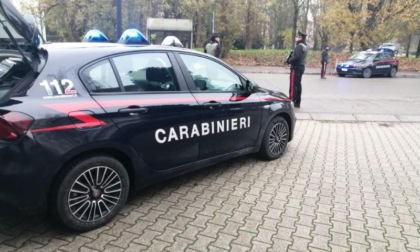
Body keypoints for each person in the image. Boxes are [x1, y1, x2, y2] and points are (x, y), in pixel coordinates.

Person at [286, 31, 308, 108]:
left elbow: (296, 57)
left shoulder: (299, 46)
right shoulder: (304, 46)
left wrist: (289, 61)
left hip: (296, 67)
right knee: (298, 85)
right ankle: (297, 102)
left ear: (300, 38)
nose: (296, 38)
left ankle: (291, 100)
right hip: (301, 67)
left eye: (297, 37)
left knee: (293, 85)